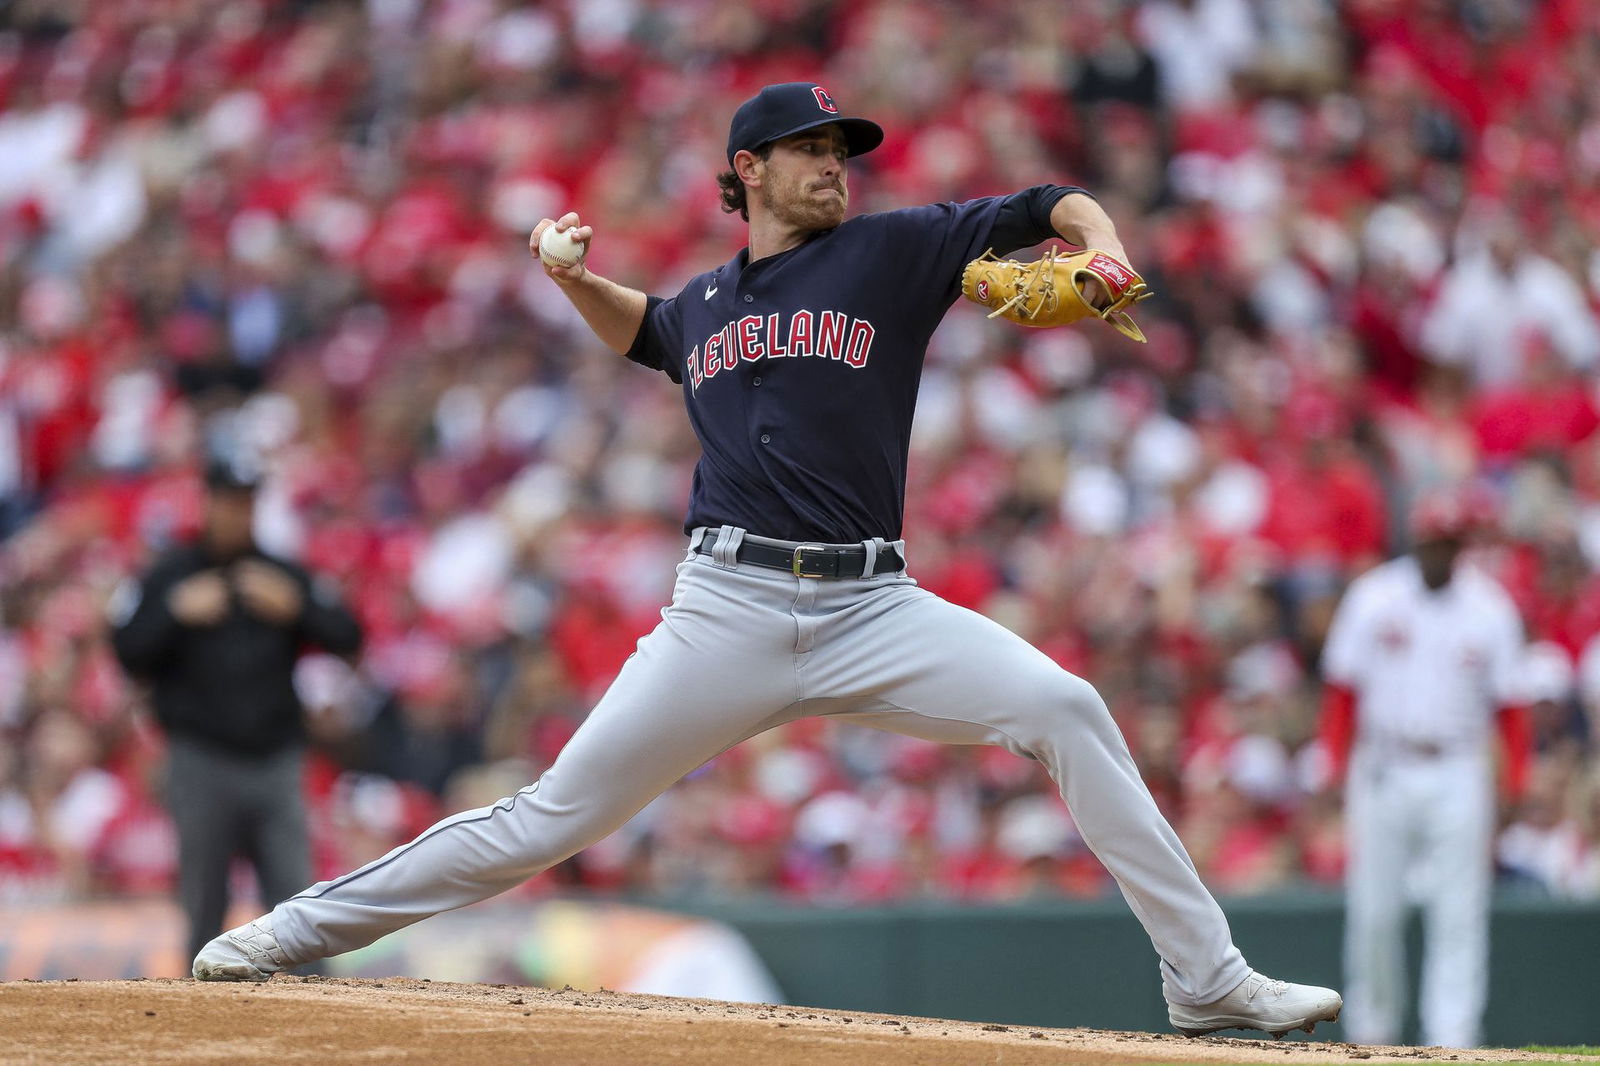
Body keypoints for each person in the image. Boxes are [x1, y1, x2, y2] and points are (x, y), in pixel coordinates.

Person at [192, 81, 1341, 1038]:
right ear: (746, 170)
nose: (835, 163)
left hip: (874, 605)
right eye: (808, 149)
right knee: (549, 816)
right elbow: (645, 330)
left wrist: (1100, 243)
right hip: (725, 610)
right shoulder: (704, 302)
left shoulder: (891, 251)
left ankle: (1205, 980)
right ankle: (286, 931)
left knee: (1066, 706)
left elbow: (1049, 201)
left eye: (841, 148)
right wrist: (568, 276)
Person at [110, 452, 363, 960]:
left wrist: (299, 606)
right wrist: (174, 612)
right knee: (204, 900)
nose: (238, 514)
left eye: (247, 503)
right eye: (229, 502)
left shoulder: (279, 574)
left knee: (295, 900)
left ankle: (319, 1021)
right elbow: (127, 650)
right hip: (200, 758)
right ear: (207, 502)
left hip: (274, 758)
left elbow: (349, 636)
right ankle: (201, 1020)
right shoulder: (170, 575)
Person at [1318, 494, 1530, 1047]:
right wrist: (1335, 762)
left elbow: (1511, 708)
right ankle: (1372, 1031)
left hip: (1458, 765)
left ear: (1460, 546)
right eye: (1431, 541)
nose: (1438, 551)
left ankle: (1453, 1036)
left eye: (1447, 542)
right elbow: (1342, 689)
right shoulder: (1375, 596)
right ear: (1415, 540)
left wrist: (1515, 779)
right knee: (1374, 910)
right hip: (1383, 763)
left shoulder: (1490, 608)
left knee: (1459, 911)